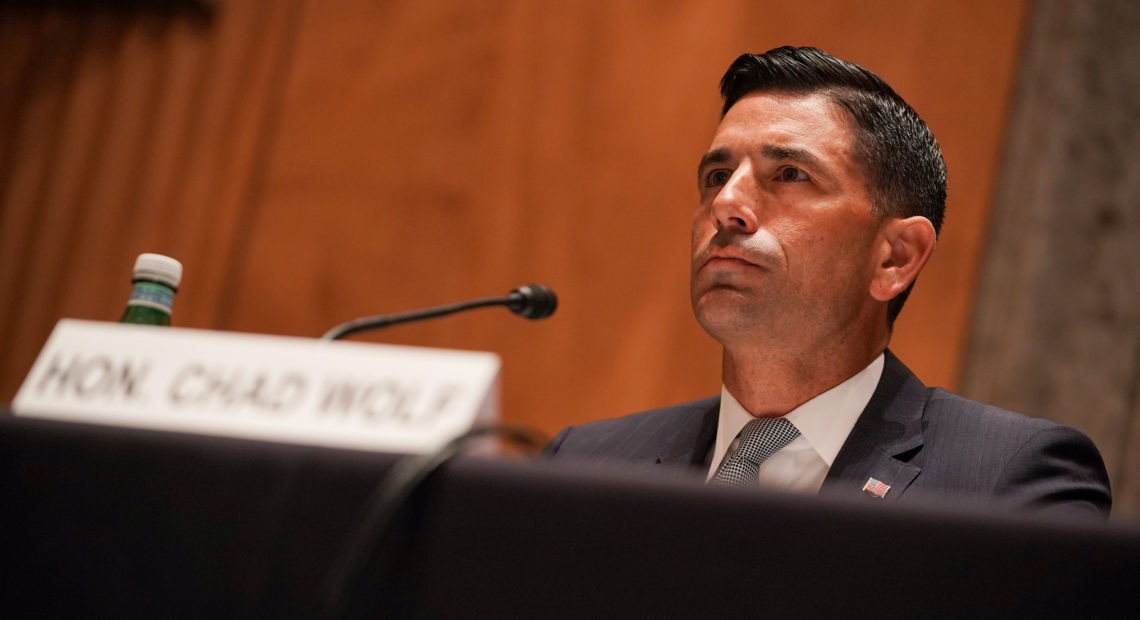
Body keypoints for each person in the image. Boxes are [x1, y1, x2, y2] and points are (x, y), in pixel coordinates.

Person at [544, 46, 1111, 519]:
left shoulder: (1009, 483)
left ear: (895, 257)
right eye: (717, 176)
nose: (727, 205)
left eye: (789, 174)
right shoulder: (583, 468)